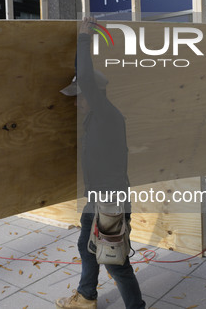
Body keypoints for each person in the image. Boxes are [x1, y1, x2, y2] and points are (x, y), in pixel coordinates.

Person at [56, 18, 146, 309]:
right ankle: (86, 297)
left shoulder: (107, 114)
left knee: (115, 261)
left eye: (78, 96)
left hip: (111, 198)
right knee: (87, 246)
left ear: (91, 95)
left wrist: (84, 39)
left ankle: (136, 307)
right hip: (100, 196)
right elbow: (80, 75)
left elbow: (85, 77)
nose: (75, 102)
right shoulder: (97, 118)